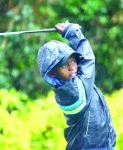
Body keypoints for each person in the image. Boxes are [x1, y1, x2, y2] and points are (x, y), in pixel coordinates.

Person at [37, 21, 116, 150]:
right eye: (64, 64)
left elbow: (82, 64)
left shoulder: (71, 82)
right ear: (52, 73)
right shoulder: (73, 93)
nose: (72, 66)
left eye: (73, 60)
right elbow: (88, 60)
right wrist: (73, 34)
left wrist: (69, 33)